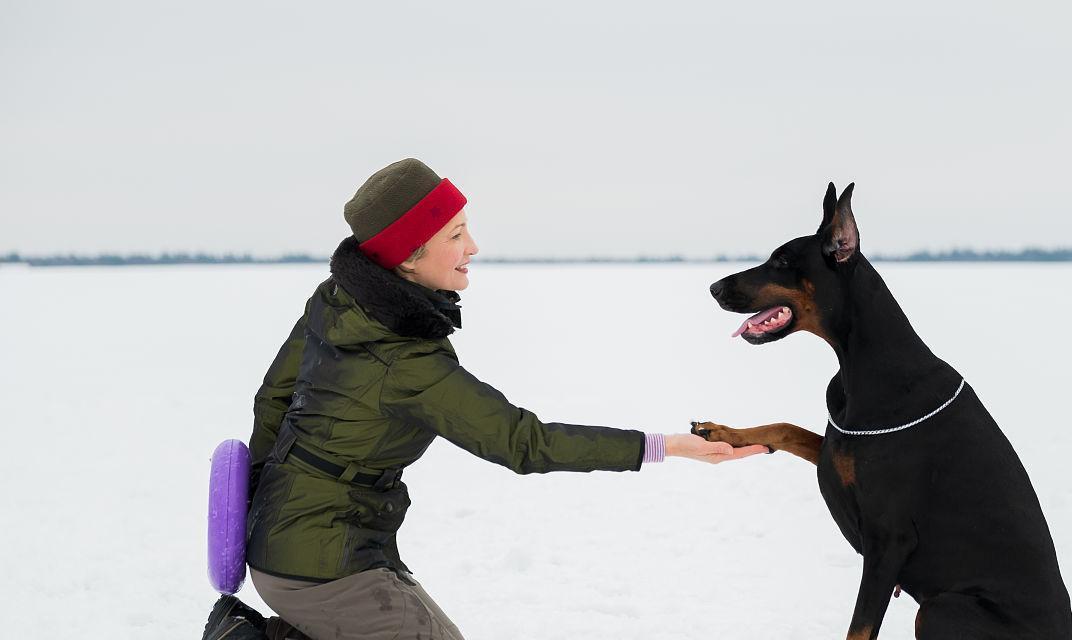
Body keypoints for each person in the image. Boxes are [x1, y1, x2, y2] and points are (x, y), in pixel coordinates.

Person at [232, 159, 766, 640]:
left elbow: (273, 400)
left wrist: (261, 506)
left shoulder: (340, 303)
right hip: (318, 564)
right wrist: (662, 446)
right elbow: (523, 442)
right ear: (409, 258)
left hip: (297, 545)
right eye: (456, 234)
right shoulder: (405, 362)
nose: (473, 247)